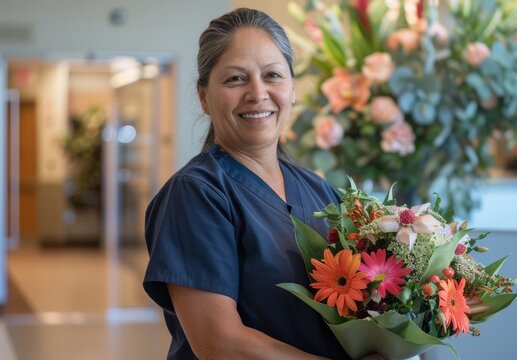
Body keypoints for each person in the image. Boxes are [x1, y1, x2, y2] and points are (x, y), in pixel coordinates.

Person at [143, 8, 381, 360]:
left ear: (292, 89)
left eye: (272, 75)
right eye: (236, 79)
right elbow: (218, 343)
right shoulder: (197, 194)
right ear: (204, 97)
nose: (258, 93)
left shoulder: (320, 191)